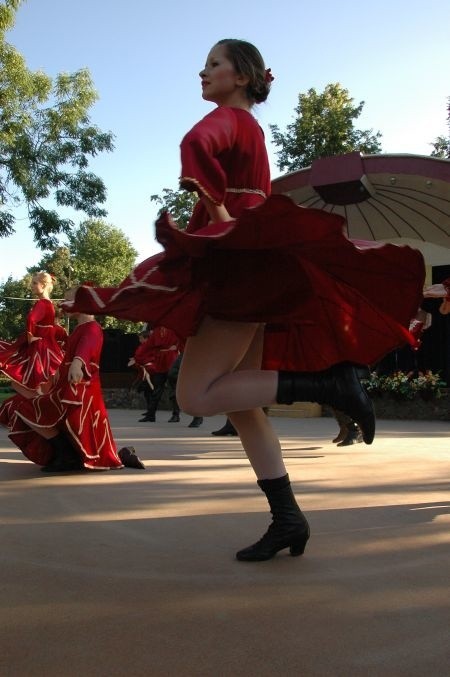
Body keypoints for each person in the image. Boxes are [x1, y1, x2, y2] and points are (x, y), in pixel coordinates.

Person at [63, 39, 425, 561]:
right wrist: (227, 226)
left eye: (214, 63)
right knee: (245, 404)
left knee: (195, 397)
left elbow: (197, 142)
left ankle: (330, 383)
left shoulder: (231, 122)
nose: (203, 71)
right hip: (252, 263)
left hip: (237, 268)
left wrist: (220, 226)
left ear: (242, 75)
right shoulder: (251, 128)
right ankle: (288, 518)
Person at [0, 286, 145, 472]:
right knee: (25, 407)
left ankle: (67, 455)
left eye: (69, 300)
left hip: (80, 389)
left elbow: (86, 349)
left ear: (83, 303)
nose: (64, 304)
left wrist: (78, 363)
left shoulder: (91, 328)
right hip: (68, 386)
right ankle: (68, 454)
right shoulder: (79, 329)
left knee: (27, 408)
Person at [0, 271, 64, 392]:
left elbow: (31, 319)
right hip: (48, 345)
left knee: (36, 377)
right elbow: (52, 326)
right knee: (46, 377)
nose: (32, 286)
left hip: (41, 346)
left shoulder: (42, 303)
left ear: (44, 285)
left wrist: (30, 337)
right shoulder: (49, 303)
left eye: (35, 283)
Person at [129, 325, 181, 423]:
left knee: (173, 389)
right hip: (160, 362)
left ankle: (176, 414)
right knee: (156, 389)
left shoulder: (174, 328)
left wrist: (177, 346)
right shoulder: (156, 331)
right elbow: (148, 345)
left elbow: (181, 339)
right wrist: (138, 357)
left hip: (171, 360)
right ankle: (151, 415)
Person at [166, 352, 203, 428]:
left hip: (191, 377)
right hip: (179, 377)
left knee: (193, 396)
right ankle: (176, 415)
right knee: (174, 395)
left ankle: (197, 417)